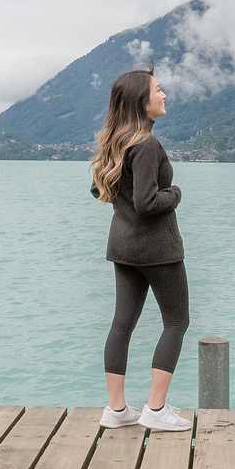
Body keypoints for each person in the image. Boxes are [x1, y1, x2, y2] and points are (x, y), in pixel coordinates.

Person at [89, 68, 192, 432]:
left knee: (122, 324)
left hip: (123, 246)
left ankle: (116, 410)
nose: (164, 95)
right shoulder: (146, 144)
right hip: (157, 248)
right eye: (158, 90)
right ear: (142, 101)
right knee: (177, 322)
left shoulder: (115, 142)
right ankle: (155, 408)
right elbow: (148, 203)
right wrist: (175, 193)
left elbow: (99, 190)